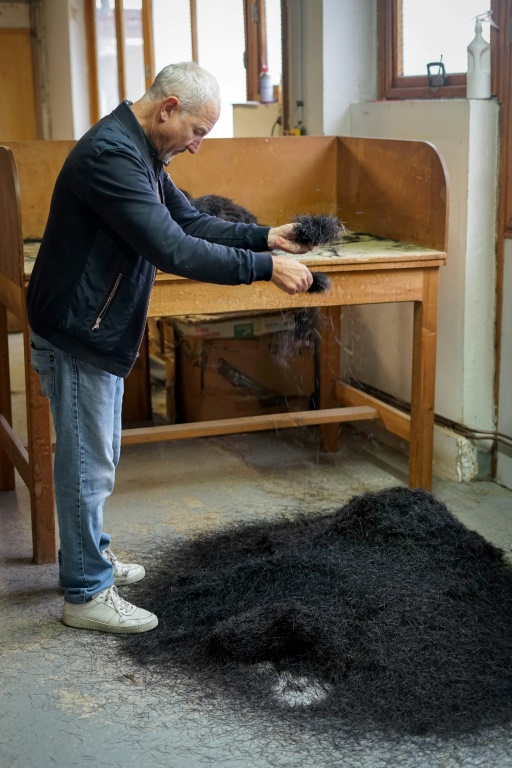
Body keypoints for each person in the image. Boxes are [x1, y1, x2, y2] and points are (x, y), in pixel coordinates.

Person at [26, 61, 313, 634]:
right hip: (78, 330)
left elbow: (187, 218)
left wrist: (263, 236)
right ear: (168, 109)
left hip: (93, 327)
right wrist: (263, 268)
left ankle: (91, 559)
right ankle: (84, 593)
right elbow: (173, 249)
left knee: (96, 456)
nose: (198, 146)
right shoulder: (112, 155)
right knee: (87, 465)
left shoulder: (142, 152)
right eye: (198, 132)